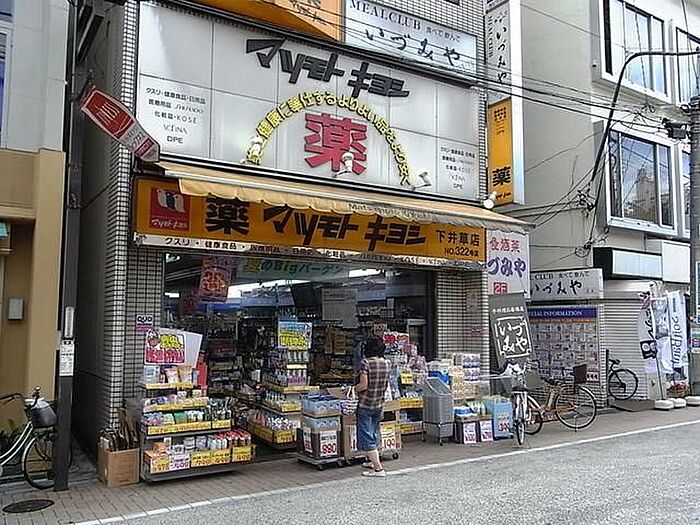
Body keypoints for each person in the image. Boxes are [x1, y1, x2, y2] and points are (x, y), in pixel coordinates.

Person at [355, 336, 391, 478]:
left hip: (365, 403)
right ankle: (372, 460)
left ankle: (378, 469)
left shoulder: (366, 363)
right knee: (374, 432)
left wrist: (352, 389)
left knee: (366, 435)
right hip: (378, 403)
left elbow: (363, 385)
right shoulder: (387, 363)